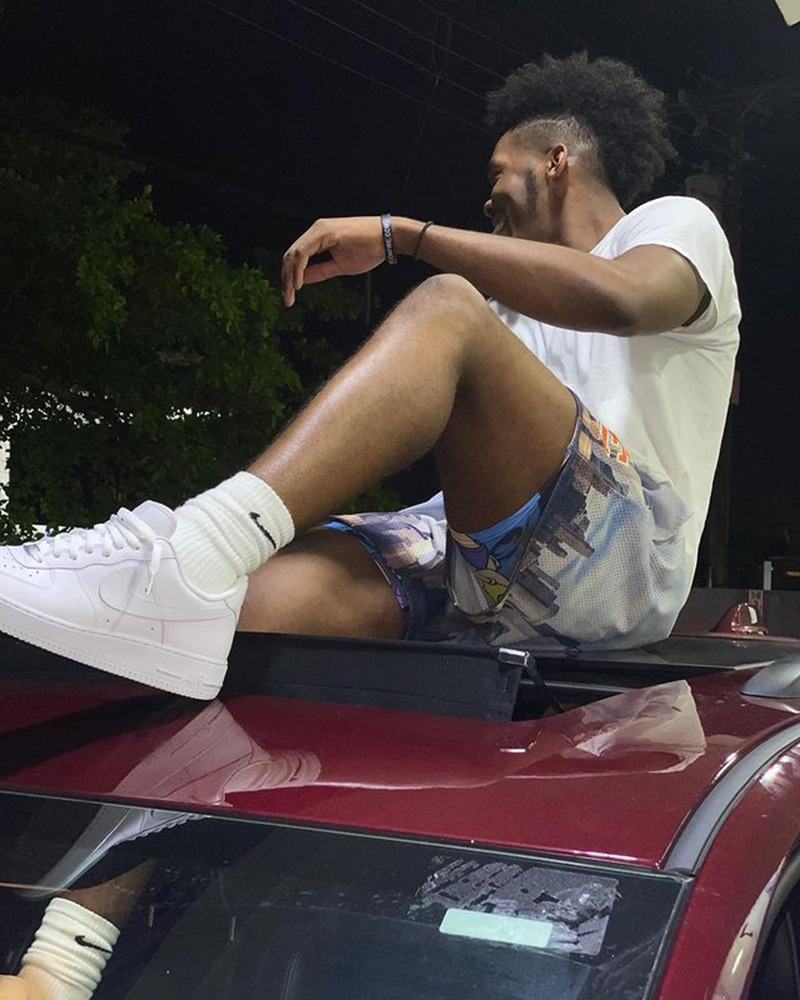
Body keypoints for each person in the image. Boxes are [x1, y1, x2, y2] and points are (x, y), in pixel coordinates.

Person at [0, 52, 740, 699]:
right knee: (228, 613)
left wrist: (403, 236)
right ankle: (156, 591)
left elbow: (625, 300)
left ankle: (189, 552)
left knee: (447, 304)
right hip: (469, 557)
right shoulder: (507, 313)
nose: (486, 198)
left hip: (625, 567)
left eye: (497, 173)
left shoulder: (671, 225)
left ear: (555, 159)